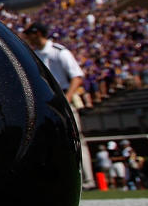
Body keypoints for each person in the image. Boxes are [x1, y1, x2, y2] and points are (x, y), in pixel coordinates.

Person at [24, 22, 95, 190]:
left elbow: (77, 77)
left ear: (39, 33)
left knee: (77, 141)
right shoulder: (35, 54)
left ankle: (88, 181)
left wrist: (66, 99)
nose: (29, 37)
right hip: (47, 99)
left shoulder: (59, 52)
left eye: (31, 34)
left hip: (63, 96)